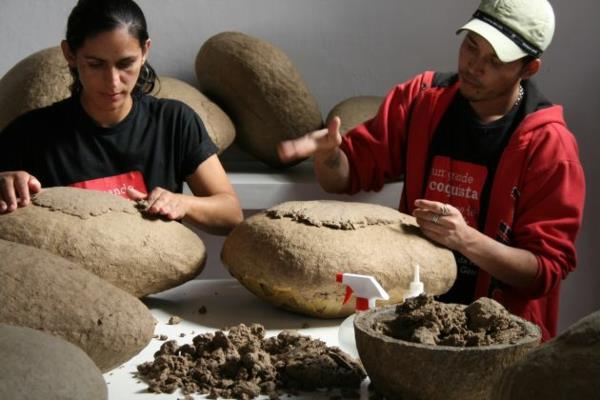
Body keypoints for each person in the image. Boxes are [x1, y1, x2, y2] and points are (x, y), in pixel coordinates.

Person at [279, 0, 585, 341]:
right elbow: (345, 177)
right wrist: (329, 155)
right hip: (414, 325)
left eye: (495, 60)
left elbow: (544, 272)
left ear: (529, 69)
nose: (473, 65)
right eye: (471, 45)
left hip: (500, 341)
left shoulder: (549, 146)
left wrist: (465, 239)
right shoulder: (422, 99)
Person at [0, 0, 243, 234]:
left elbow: (231, 214)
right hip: (66, 276)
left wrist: (183, 203)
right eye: (96, 64)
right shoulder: (30, 133)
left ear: (145, 51)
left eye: (126, 63)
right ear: (70, 55)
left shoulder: (174, 121)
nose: (113, 82)